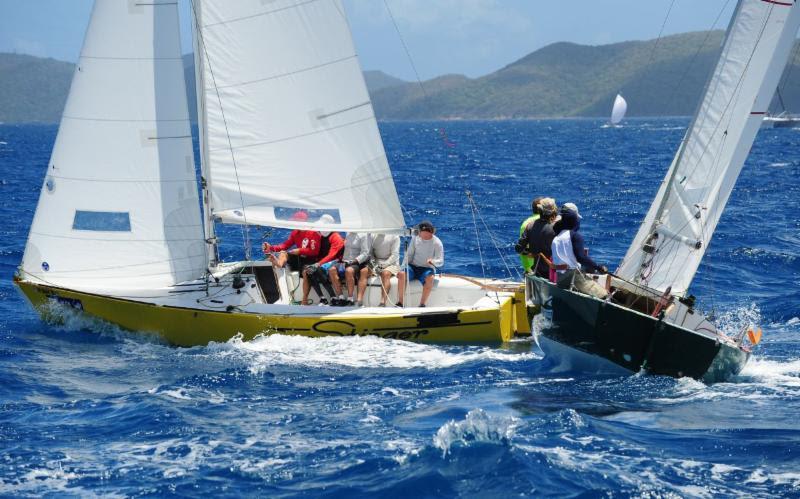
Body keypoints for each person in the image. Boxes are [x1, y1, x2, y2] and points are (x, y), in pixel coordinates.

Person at [551, 203, 608, 299]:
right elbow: (581, 257)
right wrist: (598, 267)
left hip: (560, 278)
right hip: (573, 277)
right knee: (605, 296)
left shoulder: (556, 237)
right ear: (574, 220)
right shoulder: (574, 236)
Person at [397, 220, 444, 308]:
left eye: (427, 233)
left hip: (426, 269)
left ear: (431, 232)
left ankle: (422, 304)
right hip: (413, 267)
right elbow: (409, 254)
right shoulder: (415, 238)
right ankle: (400, 302)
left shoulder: (437, 243)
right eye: (423, 233)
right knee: (401, 274)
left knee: (430, 278)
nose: (425, 235)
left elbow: (441, 261)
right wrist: (403, 267)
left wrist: (433, 261)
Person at [303, 214, 344, 305]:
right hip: (323, 261)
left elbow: (331, 255)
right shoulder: (320, 236)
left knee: (317, 269)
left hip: (336, 261)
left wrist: (317, 264)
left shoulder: (335, 237)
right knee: (308, 270)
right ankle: (322, 298)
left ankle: (333, 297)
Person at [515, 197, 558, 278]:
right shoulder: (556, 227)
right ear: (553, 212)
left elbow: (518, 248)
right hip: (553, 273)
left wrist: (531, 252)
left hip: (536, 272)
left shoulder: (530, 226)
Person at [357, 233, 401, 307]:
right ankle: (359, 300)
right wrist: (374, 263)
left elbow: (395, 255)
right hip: (376, 262)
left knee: (385, 273)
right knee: (363, 271)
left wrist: (384, 265)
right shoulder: (373, 235)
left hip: (392, 263)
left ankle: (382, 302)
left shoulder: (395, 236)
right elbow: (370, 253)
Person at [328, 232, 371, 306]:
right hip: (345, 261)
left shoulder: (363, 235)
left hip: (356, 262)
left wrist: (353, 261)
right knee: (331, 270)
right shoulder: (348, 234)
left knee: (349, 271)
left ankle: (350, 298)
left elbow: (365, 253)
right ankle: (341, 297)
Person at [517, 197, 542, 273]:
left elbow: (521, 247)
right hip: (543, 267)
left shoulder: (525, 223)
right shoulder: (546, 221)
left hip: (528, 268)